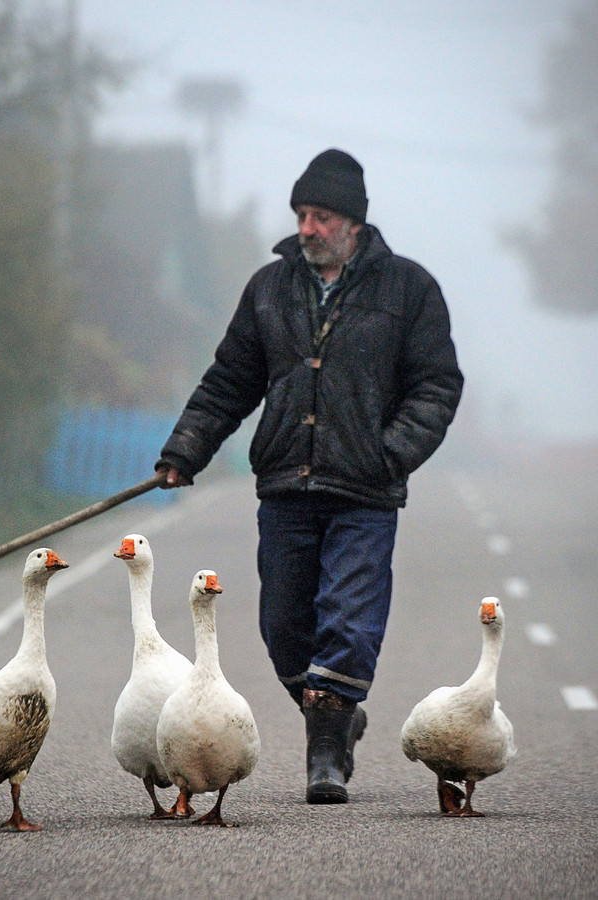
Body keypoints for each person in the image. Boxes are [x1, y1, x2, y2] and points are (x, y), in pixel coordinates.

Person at [155, 148, 463, 804]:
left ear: (354, 224)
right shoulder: (269, 289)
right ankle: (337, 716)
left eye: (322, 216)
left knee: (347, 616)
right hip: (286, 485)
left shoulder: (409, 290)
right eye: (302, 215)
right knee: (283, 624)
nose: (308, 228)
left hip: (365, 489)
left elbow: (437, 385)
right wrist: (185, 451)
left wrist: (393, 452)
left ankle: (325, 756)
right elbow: (230, 380)